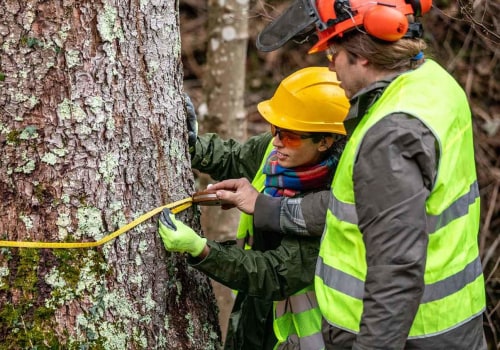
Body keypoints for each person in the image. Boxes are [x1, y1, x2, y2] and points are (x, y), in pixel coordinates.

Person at [209, 0, 488, 348]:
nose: (331, 69)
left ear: (362, 55)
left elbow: (395, 273)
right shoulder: (434, 84)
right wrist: (270, 209)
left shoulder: (390, 135)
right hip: (452, 322)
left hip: (401, 335)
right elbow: (354, 207)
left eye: (333, 55)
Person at [158, 67, 350, 349]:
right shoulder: (275, 154)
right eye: (275, 129)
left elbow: (274, 274)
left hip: (295, 335)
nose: (277, 141)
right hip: (252, 314)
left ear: (326, 140)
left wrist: (202, 250)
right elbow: (234, 157)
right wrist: (191, 147)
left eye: (291, 136)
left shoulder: (334, 201)